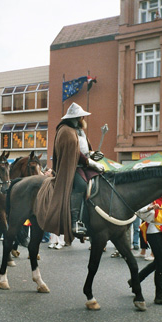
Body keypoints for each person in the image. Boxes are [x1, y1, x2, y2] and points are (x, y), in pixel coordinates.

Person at [34, 102, 105, 247]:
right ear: (77, 118)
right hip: (72, 167)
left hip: (84, 164)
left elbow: (84, 150)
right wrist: (91, 163)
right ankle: (75, 222)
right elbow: (75, 153)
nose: (83, 118)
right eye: (81, 116)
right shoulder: (65, 131)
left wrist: (93, 154)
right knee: (79, 185)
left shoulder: (79, 130)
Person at [136, 196, 162, 306]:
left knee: (158, 262)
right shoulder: (151, 196)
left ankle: (135, 280)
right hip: (153, 230)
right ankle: (160, 295)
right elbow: (139, 210)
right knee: (161, 262)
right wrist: (150, 208)